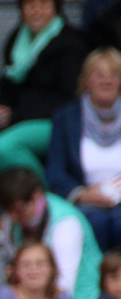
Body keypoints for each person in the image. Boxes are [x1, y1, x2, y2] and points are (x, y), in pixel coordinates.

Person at [0, 0, 86, 200]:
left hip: (53, 121)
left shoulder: (71, 42)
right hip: (16, 119)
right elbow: (6, 86)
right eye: (30, 6)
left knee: (6, 147)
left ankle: (46, 202)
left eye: (43, 5)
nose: (36, 12)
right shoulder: (16, 38)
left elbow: (65, 99)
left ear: (55, 9)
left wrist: (14, 116)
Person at [0, 167, 100, 299]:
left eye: (19, 210)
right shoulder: (11, 220)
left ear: (36, 196)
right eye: (9, 211)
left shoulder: (66, 222)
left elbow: (65, 285)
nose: (13, 217)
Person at [45, 48, 121, 251]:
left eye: (113, 75)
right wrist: (82, 195)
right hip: (86, 199)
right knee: (94, 221)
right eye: (99, 75)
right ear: (86, 80)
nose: (106, 81)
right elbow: (55, 171)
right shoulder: (66, 117)